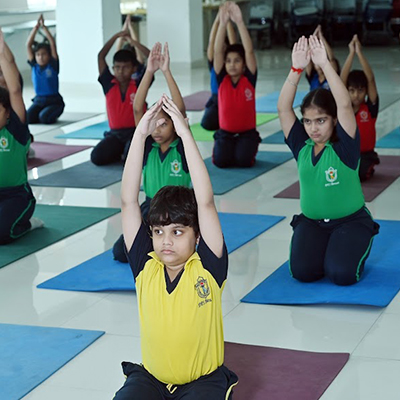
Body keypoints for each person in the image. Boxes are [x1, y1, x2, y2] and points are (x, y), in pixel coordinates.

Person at [114, 95, 238, 399]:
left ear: (197, 236)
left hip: (202, 382)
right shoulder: (146, 266)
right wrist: (140, 135)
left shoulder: (208, 268)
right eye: (158, 231)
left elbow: (205, 202)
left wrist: (184, 132)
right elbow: (128, 201)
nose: (166, 240)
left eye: (178, 231)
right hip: (151, 380)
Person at [277, 35, 379, 286]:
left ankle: (357, 241)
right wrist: (296, 69)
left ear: (333, 120)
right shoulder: (302, 146)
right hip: (312, 223)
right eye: (308, 121)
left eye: (321, 120)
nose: (313, 128)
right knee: (303, 272)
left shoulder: (345, 147)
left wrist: (324, 64)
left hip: (350, 222)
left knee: (341, 274)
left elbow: (344, 105)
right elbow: (283, 109)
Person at [112, 42, 191, 263]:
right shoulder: (148, 146)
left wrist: (166, 71)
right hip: (151, 208)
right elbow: (138, 108)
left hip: (180, 209)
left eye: (164, 124)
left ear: (175, 125)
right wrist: (149, 71)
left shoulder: (181, 147)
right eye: (154, 125)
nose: (157, 130)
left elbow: (180, 110)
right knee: (121, 252)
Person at [0, 28, 43, 244]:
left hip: (16, 195)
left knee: (1, 234)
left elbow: (15, 90)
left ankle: (27, 223)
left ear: (7, 112)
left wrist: (2, 49)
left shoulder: (14, 129)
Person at [212, 2, 260, 168]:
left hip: (247, 133)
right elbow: (217, 51)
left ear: (244, 64)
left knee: (243, 161)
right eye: (228, 61)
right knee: (221, 162)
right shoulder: (221, 79)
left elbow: (249, 51)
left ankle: (246, 147)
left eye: (237, 61)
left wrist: (239, 22)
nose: (232, 64)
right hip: (225, 134)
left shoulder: (249, 79)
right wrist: (222, 24)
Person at [91, 31, 142, 166]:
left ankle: (127, 152)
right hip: (115, 135)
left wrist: (134, 43)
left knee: (130, 161)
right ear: (113, 68)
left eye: (126, 67)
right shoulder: (109, 83)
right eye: (117, 67)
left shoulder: (139, 83)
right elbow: (101, 56)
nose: (121, 71)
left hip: (135, 132)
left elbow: (150, 59)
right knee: (96, 157)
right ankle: (121, 151)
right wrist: (115, 37)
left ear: (134, 69)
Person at [341, 34, 379, 181]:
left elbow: (371, 79)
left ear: (366, 91)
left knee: (360, 175)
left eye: (360, 90)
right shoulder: (344, 108)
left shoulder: (370, 108)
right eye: (351, 91)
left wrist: (359, 52)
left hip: (365, 155)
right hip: (347, 153)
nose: (356, 95)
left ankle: (369, 166)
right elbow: (341, 80)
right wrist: (351, 53)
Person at [201, 10, 237, 131]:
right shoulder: (213, 63)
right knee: (207, 124)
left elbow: (233, 43)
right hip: (215, 99)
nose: (220, 49)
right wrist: (218, 20)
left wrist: (227, 21)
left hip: (229, 99)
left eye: (223, 47)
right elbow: (212, 42)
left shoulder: (230, 65)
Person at [26, 14, 65, 124]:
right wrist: (36, 27)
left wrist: (44, 27)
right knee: (28, 118)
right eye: (38, 55)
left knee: (44, 118)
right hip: (39, 100)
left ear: (49, 56)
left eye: (43, 54)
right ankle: (42, 112)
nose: (41, 57)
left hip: (54, 101)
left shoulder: (52, 65)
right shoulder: (34, 66)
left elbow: (52, 43)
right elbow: (28, 45)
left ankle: (53, 111)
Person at [116, 14, 150, 83]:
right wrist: (129, 26)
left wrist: (126, 26)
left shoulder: (137, 64)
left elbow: (118, 46)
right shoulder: (138, 64)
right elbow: (136, 45)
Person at [305, 25, 340, 91]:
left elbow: (332, 58)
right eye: (317, 61)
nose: (319, 63)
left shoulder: (332, 76)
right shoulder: (312, 76)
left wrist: (322, 38)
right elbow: (307, 56)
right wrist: (313, 37)